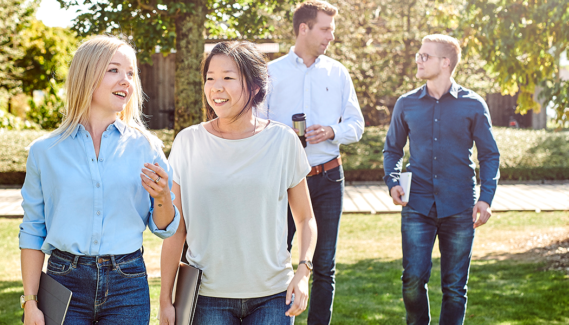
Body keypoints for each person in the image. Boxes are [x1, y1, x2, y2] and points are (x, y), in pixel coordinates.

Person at [19, 35, 180, 325]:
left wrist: (162, 198)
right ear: (86, 75)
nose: (126, 81)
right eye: (114, 70)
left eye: (131, 73)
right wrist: (30, 301)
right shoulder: (45, 151)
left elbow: (165, 228)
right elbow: (33, 229)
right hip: (63, 281)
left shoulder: (146, 146)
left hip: (127, 283)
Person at [158, 41, 318, 325]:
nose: (216, 87)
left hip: (273, 297)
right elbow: (176, 229)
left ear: (255, 86)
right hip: (206, 298)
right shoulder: (188, 142)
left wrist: (303, 273)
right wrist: (165, 301)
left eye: (228, 78)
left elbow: (305, 219)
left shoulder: (283, 141)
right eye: (210, 78)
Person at [383, 34, 500, 325]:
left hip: (459, 207)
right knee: (411, 280)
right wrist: (392, 179)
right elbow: (393, 148)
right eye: (418, 55)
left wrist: (486, 198)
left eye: (425, 56)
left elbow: (489, 155)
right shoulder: (406, 103)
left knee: (455, 288)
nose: (418, 60)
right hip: (417, 205)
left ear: (445, 62)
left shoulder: (473, 104)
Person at [261, 1, 364, 324]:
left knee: (324, 264)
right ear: (303, 29)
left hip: (328, 178)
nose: (331, 37)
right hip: (283, 180)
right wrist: (282, 135)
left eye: (332, 30)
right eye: (325, 29)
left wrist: (333, 130)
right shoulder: (270, 73)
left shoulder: (338, 72)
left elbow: (356, 125)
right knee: (277, 260)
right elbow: (256, 123)